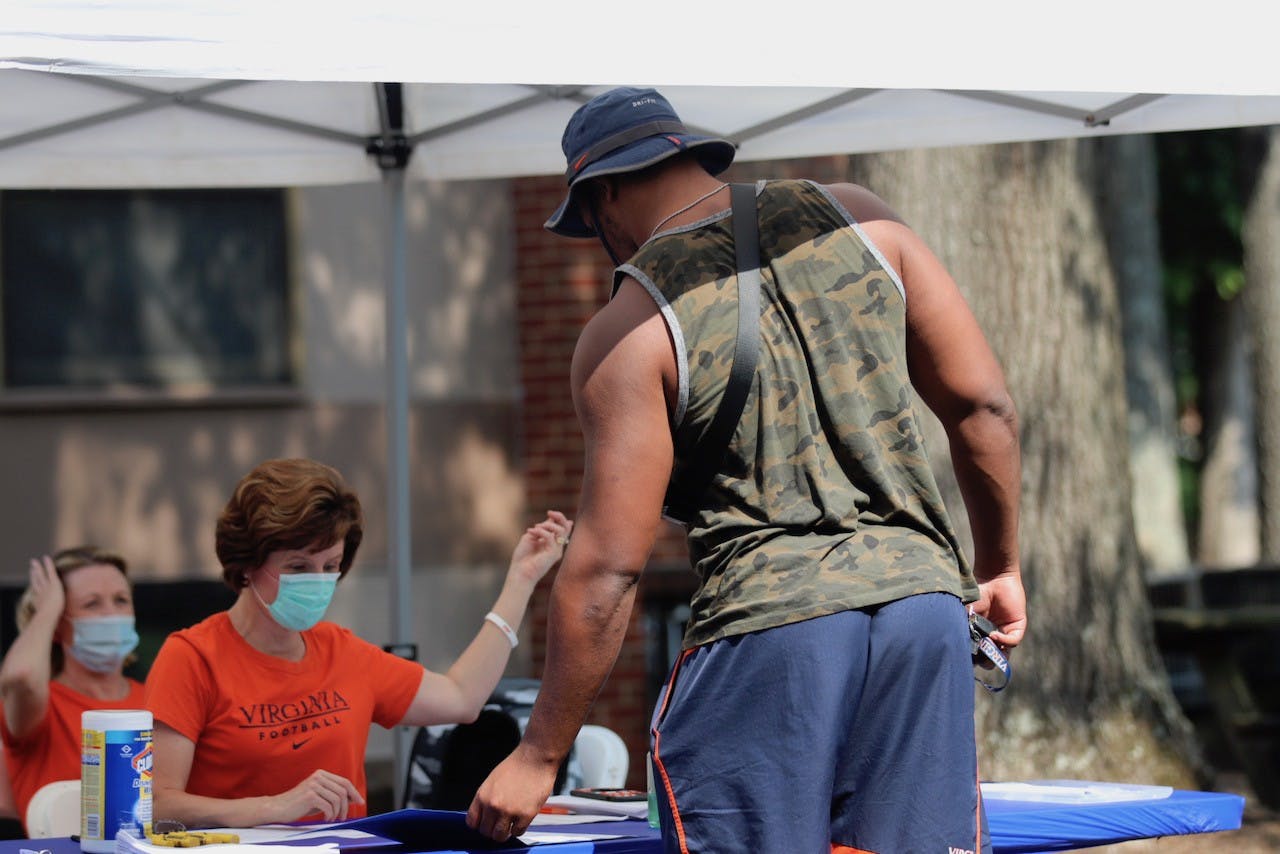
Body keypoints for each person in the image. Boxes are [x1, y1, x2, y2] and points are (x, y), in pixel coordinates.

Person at [469, 87, 1026, 853]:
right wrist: (1001, 565)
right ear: (690, 155)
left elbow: (607, 569)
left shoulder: (628, 330)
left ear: (602, 196)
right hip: (922, 615)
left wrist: (539, 755)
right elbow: (985, 408)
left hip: (769, 636)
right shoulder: (863, 220)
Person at [145, 457, 571, 827]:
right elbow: (158, 803)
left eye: (330, 564)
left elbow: (461, 698)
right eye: (298, 565)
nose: (318, 580)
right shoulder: (192, 657)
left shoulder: (341, 651)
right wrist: (274, 808)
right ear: (246, 565)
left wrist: (521, 581)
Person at [0, 547, 146, 830]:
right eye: (91, 604)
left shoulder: (157, 697)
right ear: (57, 625)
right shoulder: (42, 706)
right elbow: (21, 675)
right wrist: (47, 609)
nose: (111, 615)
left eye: (121, 600)